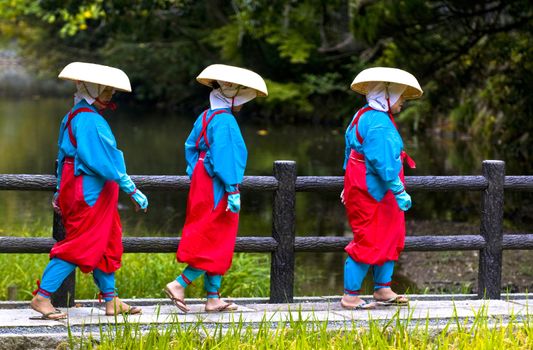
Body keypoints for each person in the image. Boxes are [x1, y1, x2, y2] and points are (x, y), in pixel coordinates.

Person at [30, 62, 149, 320]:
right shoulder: (89, 120)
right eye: (106, 90)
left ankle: (111, 300)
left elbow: (63, 157)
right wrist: (132, 188)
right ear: (92, 89)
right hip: (90, 191)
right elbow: (103, 160)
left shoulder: (73, 116)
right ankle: (42, 296)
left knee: (105, 242)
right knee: (81, 244)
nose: (111, 94)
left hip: (82, 188)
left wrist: (60, 190)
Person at [164, 64, 267, 313]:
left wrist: (196, 171)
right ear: (232, 95)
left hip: (202, 180)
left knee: (209, 233)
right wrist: (232, 189)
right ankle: (179, 284)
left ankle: (213, 297)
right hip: (218, 184)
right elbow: (226, 158)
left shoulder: (205, 116)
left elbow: (190, 147)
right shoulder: (225, 122)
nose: (243, 103)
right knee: (216, 238)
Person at [340, 67, 422, 309]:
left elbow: (349, 151)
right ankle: (350, 296)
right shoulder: (379, 123)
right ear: (386, 96)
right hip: (375, 190)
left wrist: (347, 182)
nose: (402, 103)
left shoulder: (362, 115)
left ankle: (383, 289)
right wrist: (398, 190)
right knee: (369, 238)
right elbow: (384, 162)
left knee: (389, 235)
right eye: (400, 97)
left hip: (363, 184)